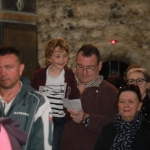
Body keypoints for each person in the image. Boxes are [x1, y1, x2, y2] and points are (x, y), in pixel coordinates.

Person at [59, 44, 118, 150]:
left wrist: (87, 118)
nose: (84, 72)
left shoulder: (111, 93)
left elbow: (115, 127)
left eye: (90, 68)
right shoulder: (64, 86)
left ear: (99, 66)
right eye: (80, 66)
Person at [0, 46, 53, 150]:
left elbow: (42, 146)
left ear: (20, 69)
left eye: (9, 67)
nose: (3, 73)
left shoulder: (38, 103)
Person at [31, 38, 80, 150]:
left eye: (65, 55)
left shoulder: (68, 76)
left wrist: (73, 113)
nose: (62, 59)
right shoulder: (40, 75)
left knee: (53, 146)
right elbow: (32, 95)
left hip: (58, 118)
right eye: (58, 56)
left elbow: (74, 96)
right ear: (49, 58)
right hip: (42, 118)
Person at [94, 84, 150, 150]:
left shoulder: (147, 130)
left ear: (139, 106)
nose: (126, 105)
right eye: (122, 102)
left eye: (130, 102)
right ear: (118, 105)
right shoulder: (107, 130)